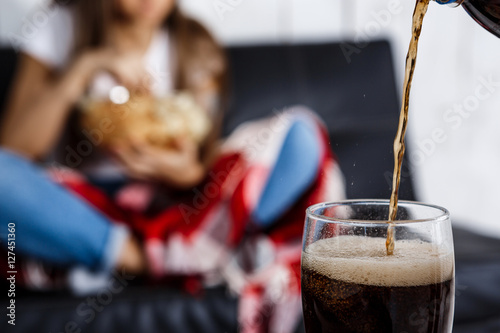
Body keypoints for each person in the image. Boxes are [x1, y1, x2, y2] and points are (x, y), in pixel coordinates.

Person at [0, 0, 344, 331]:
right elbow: (14, 149)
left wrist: (184, 172)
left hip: (181, 209)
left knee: (302, 133)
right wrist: (83, 69)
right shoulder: (60, 26)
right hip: (79, 208)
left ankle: (178, 249)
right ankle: (149, 258)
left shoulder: (194, 44)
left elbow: (203, 161)